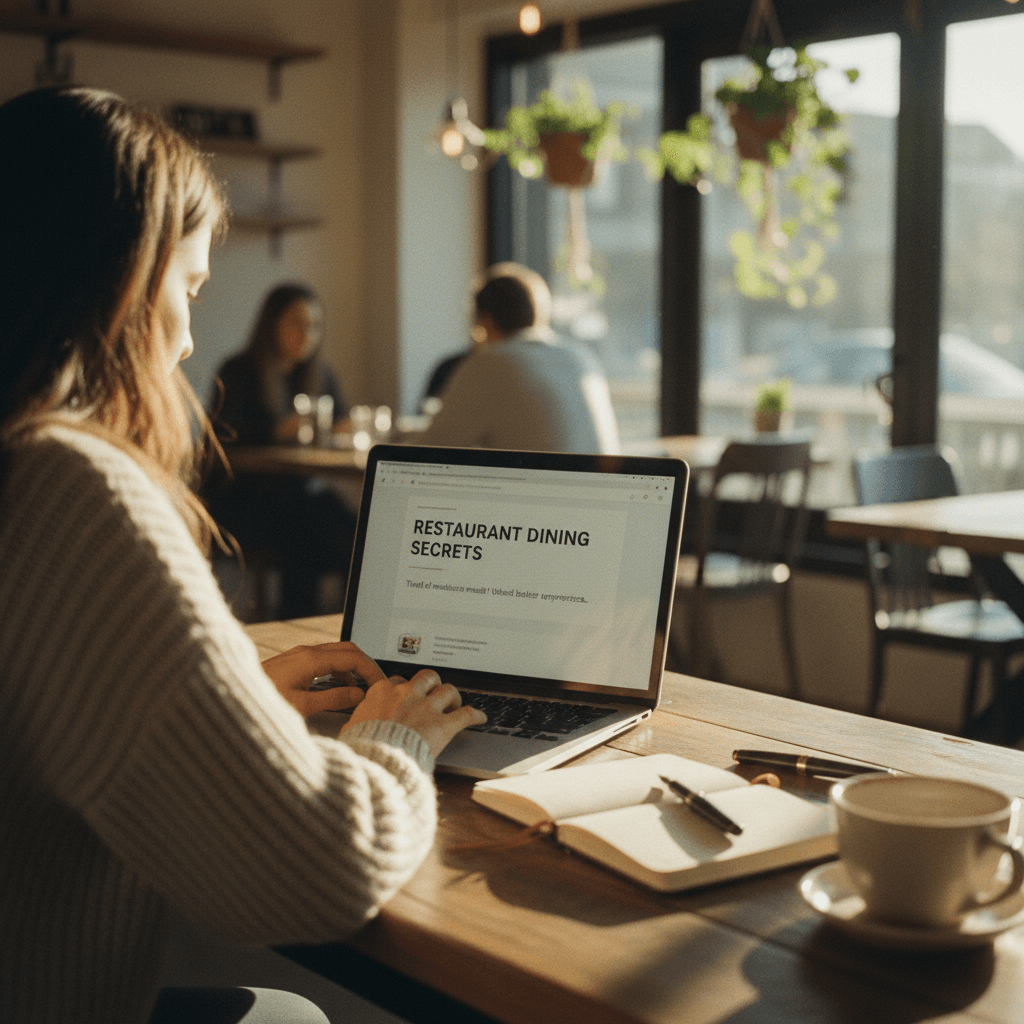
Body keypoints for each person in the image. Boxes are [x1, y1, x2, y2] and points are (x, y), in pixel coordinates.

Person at [0, 86, 484, 1024]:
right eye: (186, 289)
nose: (185, 339)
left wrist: (231, 697)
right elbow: (311, 872)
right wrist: (397, 739)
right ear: (114, 283)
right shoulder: (62, 486)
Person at [206, 284, 357, 619]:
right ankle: (298, 624)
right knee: (310, 528)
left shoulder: (320, 374)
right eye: (297, 324)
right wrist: (274, 432)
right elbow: (219, 441)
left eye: (315, 326)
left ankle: (349, 625)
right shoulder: (239, 371)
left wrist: (342, 428)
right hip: (244, 498)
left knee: (352, 525)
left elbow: (342, 422)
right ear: (271, 324)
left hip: (297, 494)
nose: (307, 334)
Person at [417, 262, 621, 454]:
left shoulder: (491, 364)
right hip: (597, 488)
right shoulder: (579, 356)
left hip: (540, 489)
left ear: (485, 321)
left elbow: (432, 449)